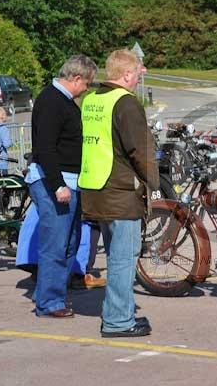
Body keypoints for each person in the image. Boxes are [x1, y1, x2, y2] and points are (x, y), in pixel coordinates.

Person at [79, 49, 159, 338]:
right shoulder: (126, 103)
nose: (139, 78)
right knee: (124, 258)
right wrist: (156, 182)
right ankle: (118, 321)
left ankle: (117, 314)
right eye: (137, 73)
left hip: (96, 188)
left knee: (115, 256)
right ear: (126, 74)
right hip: (121, 191)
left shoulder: (91, 100)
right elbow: (140, 149)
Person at [25, 54, 97, 318]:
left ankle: (49, 293)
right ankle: (49, 302)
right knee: (56, 245)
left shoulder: (61, 101)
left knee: (68, 242)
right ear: (76, 78)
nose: (87, 88)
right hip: (54, 181)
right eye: (87, 83)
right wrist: (57, 185)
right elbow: (45, 147)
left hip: (66, 181)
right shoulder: (53, 101)